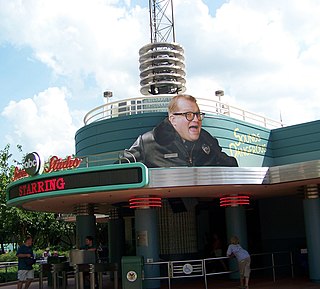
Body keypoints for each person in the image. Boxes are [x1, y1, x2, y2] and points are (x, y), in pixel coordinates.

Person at [122, 94, 238, 167]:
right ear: (173, 119)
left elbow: (231, 167)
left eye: (198, 114)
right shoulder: (147, 142)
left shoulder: (207, 141)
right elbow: (119, 171)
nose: (196, 120)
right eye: (189, 114)